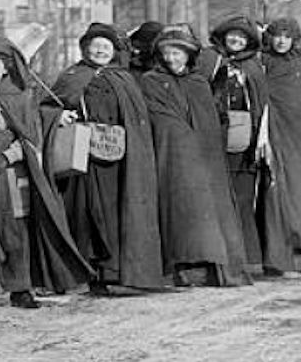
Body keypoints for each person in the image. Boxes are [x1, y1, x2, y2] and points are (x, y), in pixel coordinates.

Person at [0, 36, 91, 308]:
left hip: (9, 173)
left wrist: (10, 156)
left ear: (6, 67)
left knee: (13, 231)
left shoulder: (20, 98)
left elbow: (31, 137)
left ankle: (20, 288)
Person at [48, 23, 163, 294]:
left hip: (116, 159)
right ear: (85, 48)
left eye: (105, 46)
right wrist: (59, 116)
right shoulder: (71, 76)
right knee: (84, 213)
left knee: (113, 213)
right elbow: (48, 106)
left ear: (113, 52)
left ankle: (111, 272)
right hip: (82, 158)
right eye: (95, 46)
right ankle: (86, 272)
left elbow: (137, 120)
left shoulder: (123, 79)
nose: (100, 50)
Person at [140, 24, 247, 286]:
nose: (171, 59)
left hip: (207, 159)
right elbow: (156, 116)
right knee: (181, 212)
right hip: (174, 155)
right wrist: (181, 138)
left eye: (177, 53)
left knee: (210, 212)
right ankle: (184, 270)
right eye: (167, 53)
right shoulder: (150, 81)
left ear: (188, 55)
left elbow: (209, 119)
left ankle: (212, 268)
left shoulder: (198, 82)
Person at [257, 17, 301, 274]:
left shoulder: (300, 66)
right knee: (273, 193)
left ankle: (298, 251)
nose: (281, 41)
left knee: (296, 192)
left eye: (287, 35)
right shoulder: (263, 63)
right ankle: (274, 257)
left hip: (296, 137)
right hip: (271, 133)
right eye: (277, 35)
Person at [208, 15, 266, 277]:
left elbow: (261, 106)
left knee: (243, 200)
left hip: (245, 141)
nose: (236, 41)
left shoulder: (253, 69)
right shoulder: (209, 62)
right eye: (232, 35)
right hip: (215, 138)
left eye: (242, 38)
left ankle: (246, 258)